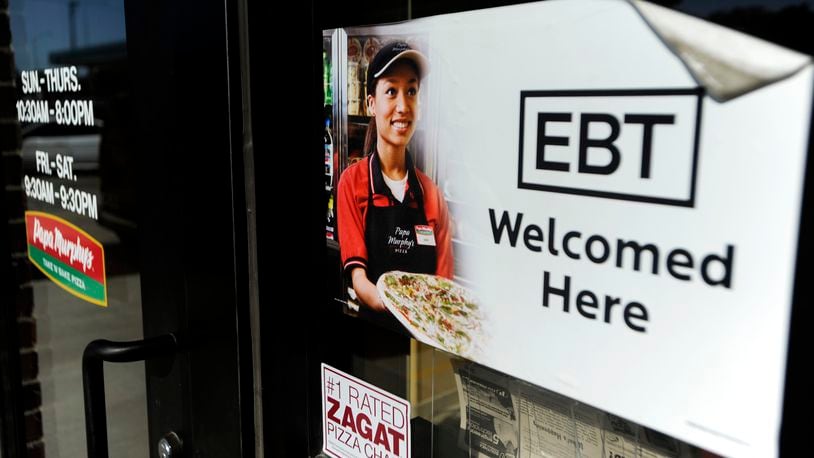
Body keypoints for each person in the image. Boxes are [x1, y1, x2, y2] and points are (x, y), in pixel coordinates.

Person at [337, 41, 453, 312]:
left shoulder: (432, 195)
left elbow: (445, 291)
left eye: (411, 91)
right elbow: (359, 277)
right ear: (371, 104)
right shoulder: (353, 183)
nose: (403, 105)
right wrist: (393, 305)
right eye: (391, 91)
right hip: (372, 338)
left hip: (422, 340)